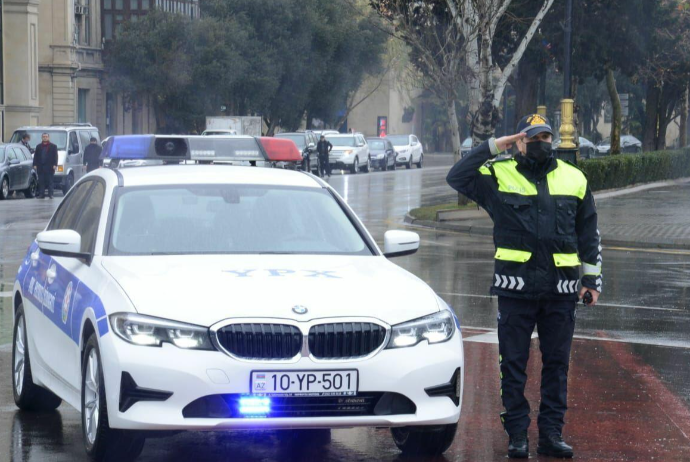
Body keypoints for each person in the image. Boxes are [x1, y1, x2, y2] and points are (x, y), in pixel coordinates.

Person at [446, 115, 602, 459]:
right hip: (515, 290)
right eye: (532, 138)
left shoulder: (574, 177)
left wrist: (591, 280)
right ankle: (517, 434)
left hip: (561, 292)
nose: (541, 142)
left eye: (546, 136)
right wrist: (494, 146)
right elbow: (456, 176)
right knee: (512, 366)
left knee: (557, 366)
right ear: (519, 141)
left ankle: (550, 434)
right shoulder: (499, 175)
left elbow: (589, 233)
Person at [33, 133, 59, 199]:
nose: (45, 138)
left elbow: (55, 156)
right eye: (43, 136)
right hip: (40, 167)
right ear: (41, 138)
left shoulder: (53, 146)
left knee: (50, 181)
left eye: (46, 136)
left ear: (48, 137)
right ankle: (42, 194)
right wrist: (35, 164)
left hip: (50, 167)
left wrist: (55, 165)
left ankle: (50, 194)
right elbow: (35, 156)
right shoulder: (38, 146)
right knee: (41, 181)